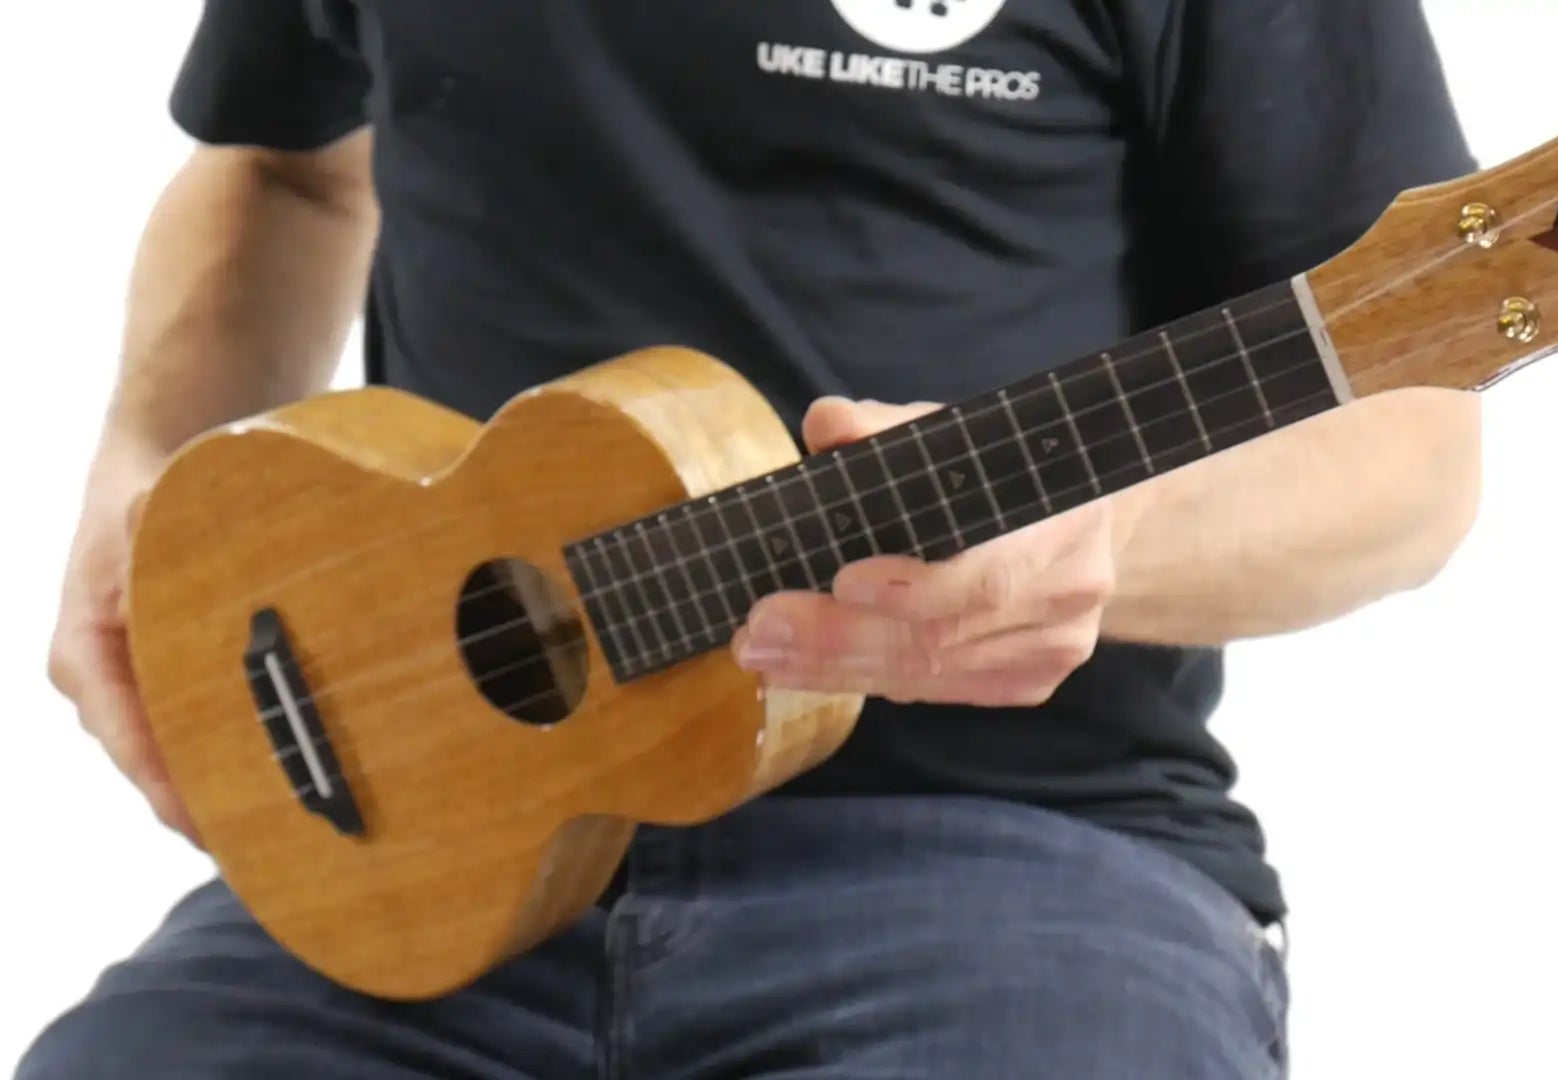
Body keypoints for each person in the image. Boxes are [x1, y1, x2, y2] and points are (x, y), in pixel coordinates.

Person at [23, 1, 1483, 1076]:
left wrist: (1111, 541)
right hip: (417, 831)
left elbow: (1415, 439)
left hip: (1017, 861)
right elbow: (289, 168)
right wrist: (143, 462)